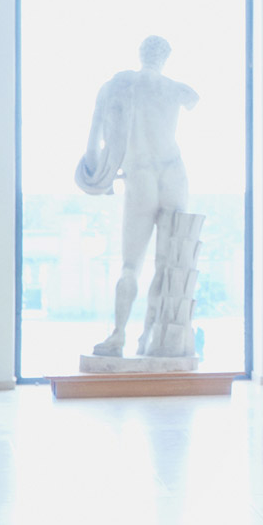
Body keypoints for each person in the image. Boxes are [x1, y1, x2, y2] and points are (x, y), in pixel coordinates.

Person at [75, 36, 198, 358]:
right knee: (168, 264)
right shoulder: (178, 90)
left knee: (132, 264)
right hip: (174, 173)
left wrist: (97, 175)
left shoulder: (118, 86)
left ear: (140, 54)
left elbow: (93, 145)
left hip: (141, 175)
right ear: (165, 58)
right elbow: (192, 100)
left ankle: (119, 335)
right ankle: (150, 339)